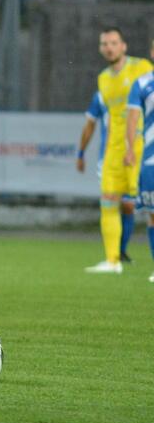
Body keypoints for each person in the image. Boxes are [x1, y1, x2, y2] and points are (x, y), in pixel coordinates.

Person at [86, 27, 151, 274]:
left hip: (141, 145)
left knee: (145, 205)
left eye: (114, 42)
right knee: (108, 201)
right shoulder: (103, 78)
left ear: (123, 45)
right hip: (114, 149)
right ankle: (112, 261)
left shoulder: (142, 67)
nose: (109, 47)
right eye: (105, 44)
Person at [75, 90, 135, 262]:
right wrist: (80, 153)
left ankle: (121, 251)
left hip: (133, 157)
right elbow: (90, 125)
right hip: (108, 158)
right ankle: (115, 255)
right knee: (112, 202)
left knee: (129, 205)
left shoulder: (136, 92)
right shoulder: (101, 95)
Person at [124, 39, 154, 283]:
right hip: (152, 160)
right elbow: (132, 118)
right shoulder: (142, 83)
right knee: (153, 215)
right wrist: (129, 148)